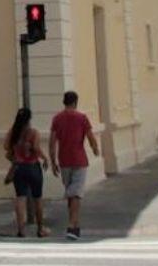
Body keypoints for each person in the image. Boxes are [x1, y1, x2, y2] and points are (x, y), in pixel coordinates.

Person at [49, 90, 99, 240]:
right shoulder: (82, 118)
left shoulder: (57, 119)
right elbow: (90, 137)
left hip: (64, 161)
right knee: (75, 193)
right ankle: (72, 225)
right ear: (75, 102)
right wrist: (95, 148)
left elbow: (52, 143)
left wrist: (53, 162)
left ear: (64, 102)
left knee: (71, 193)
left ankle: (75, 225)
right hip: (79, 160)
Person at [4, 107, 49, 238]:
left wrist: (15, 156)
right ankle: (40, 229)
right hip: (33, 167)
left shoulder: (13, 132)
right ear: (29, 119)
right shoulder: (34, 133)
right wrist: (45, 158)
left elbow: (6, 147)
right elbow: (36, 148)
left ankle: (21, 230)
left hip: (19, 168)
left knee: (20, 198)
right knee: (38, 198)